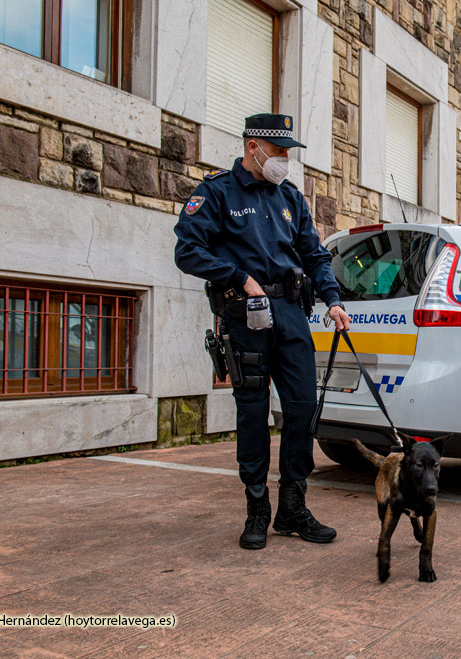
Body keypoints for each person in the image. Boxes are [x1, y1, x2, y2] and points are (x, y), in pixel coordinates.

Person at [174, 113, 351, 550]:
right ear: (253, 146)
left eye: (288, 153)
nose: (284, 160)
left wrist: (333, 300)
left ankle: (293, 507)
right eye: (278, 151)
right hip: (246, 316)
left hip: (291, 315)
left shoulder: (289, 196)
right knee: (252, 415)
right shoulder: (217, 193)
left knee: (302, 409)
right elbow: (187, 250)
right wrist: (237, 276)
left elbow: (314, 255)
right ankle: (257, 509)